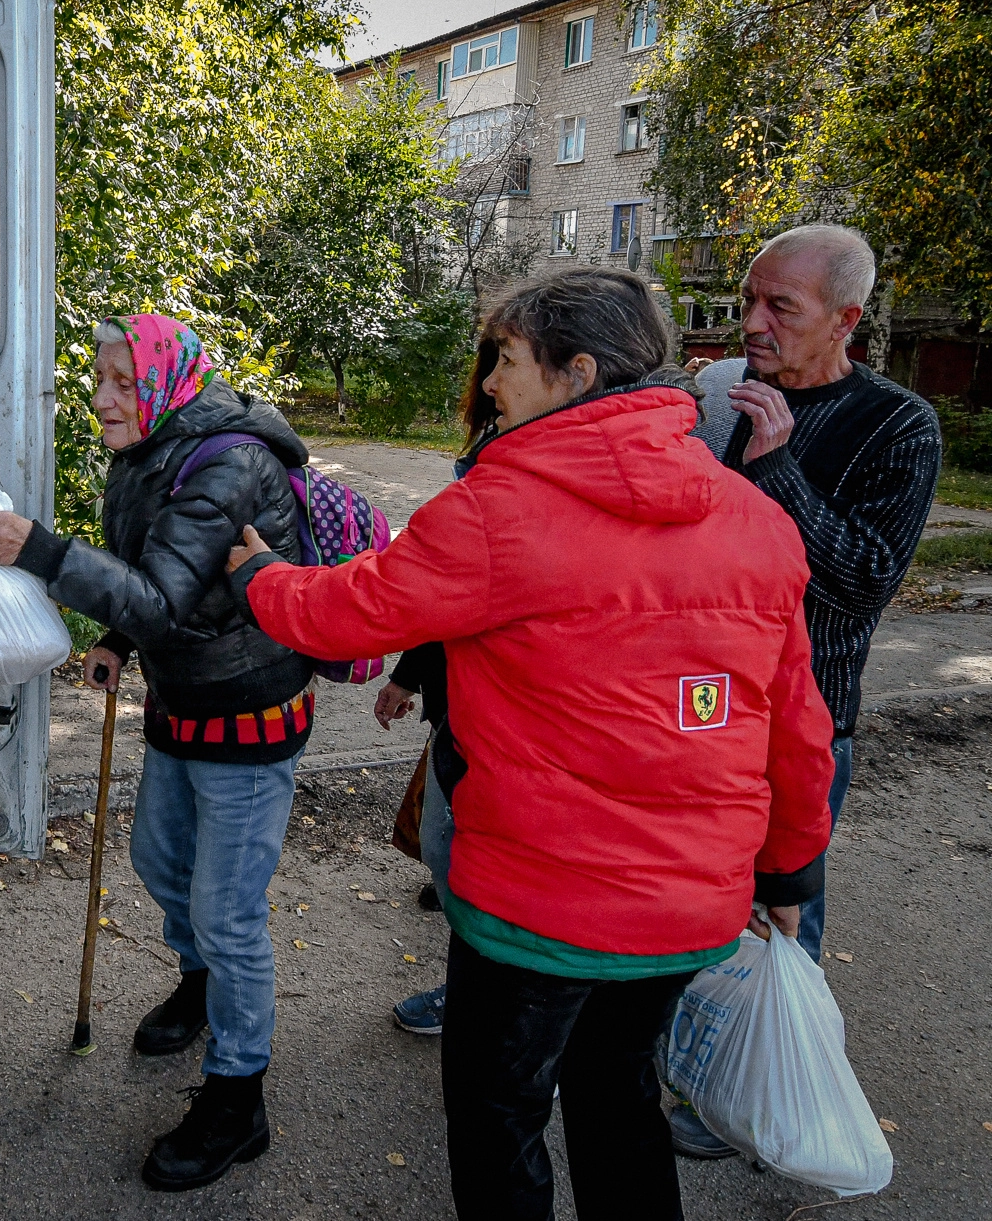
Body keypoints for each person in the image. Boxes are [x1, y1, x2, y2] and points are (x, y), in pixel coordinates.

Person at [227, 269, 836, 1221]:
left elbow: (350, 611)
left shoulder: (499, 507)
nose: (494, 383)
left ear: (577, 372)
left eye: (509, 360)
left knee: (498, 1113)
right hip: (686, 912)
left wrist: (260, 572)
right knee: (619, 1096)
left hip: (536, 909)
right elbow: (796, 724)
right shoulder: (753, 519)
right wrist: (790, 874)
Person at [0, 315, 312, 1192]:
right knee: (160, 860)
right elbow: (163, 579)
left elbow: (163, 590)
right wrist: (118, 636)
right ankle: (199, 983)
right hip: (184, 699)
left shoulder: (226, 461)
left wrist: (39, 550)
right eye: (101, 379)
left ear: (164, 380)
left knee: (230, 912)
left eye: (121, 381)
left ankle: (238, 1101)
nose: (103, 397)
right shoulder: (157, 447)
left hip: (248, 708)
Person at [669, 222, 940, 1159]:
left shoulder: (900, 424)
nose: (751, 322)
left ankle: (767, 1097)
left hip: (810, 714)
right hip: (709, 701)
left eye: (778, 307)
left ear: (845, 320)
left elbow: (864, 578)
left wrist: (777, 469)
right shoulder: (736, 400)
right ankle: (702, 1060)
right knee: (704, 895)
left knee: (786, 910)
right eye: (749, 300)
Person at [381, 337, 501, 1038]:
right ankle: (481, 996)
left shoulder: (554, 461)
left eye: (508, 361)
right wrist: (407, 672)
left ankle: (499, 1014)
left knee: (482, 872)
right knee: (445, 849)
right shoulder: (493, 441)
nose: (492, 379)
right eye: (491, 361)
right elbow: (447, 586)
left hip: (515, 723)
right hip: (461, 709)